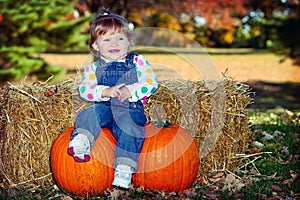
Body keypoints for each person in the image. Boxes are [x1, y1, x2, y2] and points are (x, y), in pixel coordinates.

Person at [67, 9, 158, 189]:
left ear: (129, 42)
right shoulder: (93, 68)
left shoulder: (137, 61)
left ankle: (124, 167)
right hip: (105, 107)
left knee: (131, 128)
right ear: (95, 45)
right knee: (90, 112)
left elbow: (151, 82)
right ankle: (83, 139)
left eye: (120, 38)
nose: (114, 43)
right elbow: (85, 90)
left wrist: (131, 90)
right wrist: (105, 91)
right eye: (107, 39)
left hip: (130, 109)